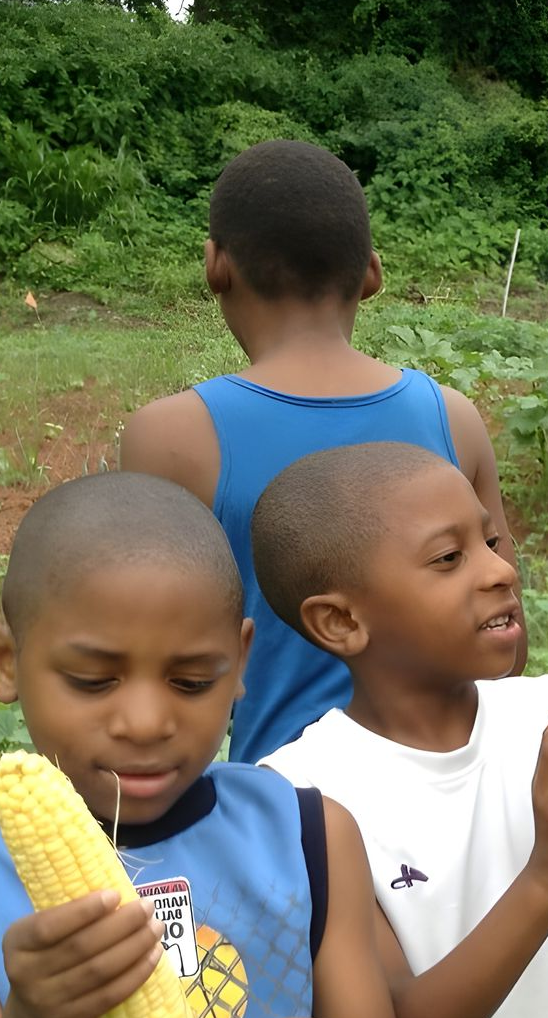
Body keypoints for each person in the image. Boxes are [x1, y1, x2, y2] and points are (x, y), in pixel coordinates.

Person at [0, 472, 394, 1018]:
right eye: (93, 680)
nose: (144, 724)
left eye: (191, 682)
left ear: (238, 661)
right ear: (4, 660)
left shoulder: (312, 841)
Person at [254, 442, 548, 1017]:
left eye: (492, 542)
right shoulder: (298, 801)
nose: (500, 571)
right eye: (450, 558)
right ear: (341, 621)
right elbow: (395, 1009)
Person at [122, 138, 520, 764]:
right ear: (371, 273)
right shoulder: (453, 419)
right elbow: (507, 639)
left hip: (284, 812)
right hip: (453, 784)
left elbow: (151, 663)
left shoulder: (173, 437)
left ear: (215, 266)